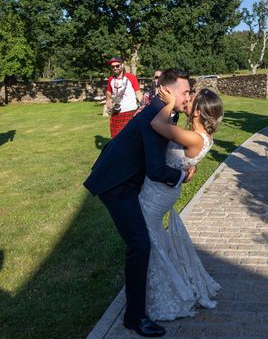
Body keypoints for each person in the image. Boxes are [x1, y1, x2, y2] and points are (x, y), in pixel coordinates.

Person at [84, 69, 195, 338]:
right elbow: (156, 169)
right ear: (167, 90)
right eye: (185, 92)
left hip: (129, 180)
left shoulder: (166, 111)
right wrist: (182, 175)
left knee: (142, 242)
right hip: (116, 184)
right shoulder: (156, 114)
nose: (189, 96)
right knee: (139, 244)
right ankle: (134, 317)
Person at [140, 86, 223, 320]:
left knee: (151, 238)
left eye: (191, 99)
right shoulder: (202, 137)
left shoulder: (193, 137)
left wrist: (167, 104)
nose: (187, 100)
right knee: (153, 236)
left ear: (197, 112)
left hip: (159, 193)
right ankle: (159, 283)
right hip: (165, 188)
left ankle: (166, 291)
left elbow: (157, 125)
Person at [105, 57, 143, 138]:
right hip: (116, 113)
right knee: (115, 139)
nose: (115, 68)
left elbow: (138, 93)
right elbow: (108, 92)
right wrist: (108, 99)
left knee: (131, 138)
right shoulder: (111, 79)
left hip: (130, 111)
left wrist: (143, 105)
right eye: (113, 67)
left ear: (122, 65)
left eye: (117, 66)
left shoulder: (131, 77)